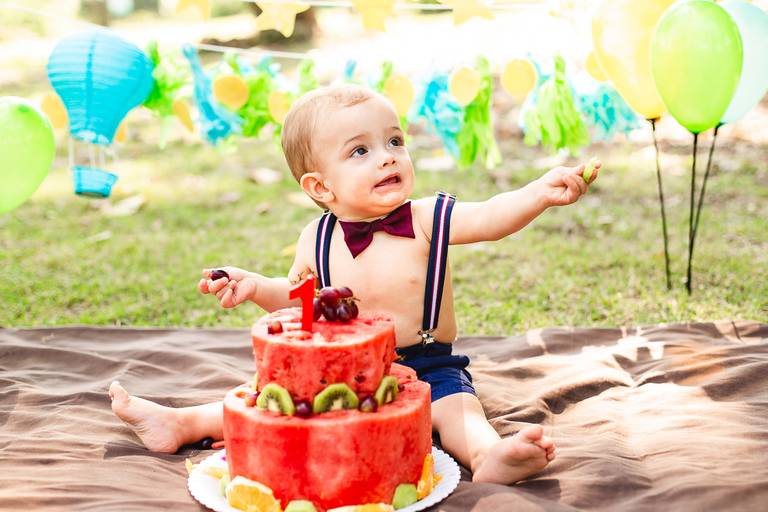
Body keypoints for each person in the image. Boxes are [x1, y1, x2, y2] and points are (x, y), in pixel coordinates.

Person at [109, 84, 600, 485]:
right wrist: (255, 286)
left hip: (428, 364)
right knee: (273, 398)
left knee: (459, 412)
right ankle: (181, 422)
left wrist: (538, 193)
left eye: (395, 142)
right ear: (320, 186)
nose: (388, 158)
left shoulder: (426, 217)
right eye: (361, 151)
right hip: (342, 368)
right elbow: (299, 299)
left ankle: (488, 456)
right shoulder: (317, 238)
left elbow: (491, 217)